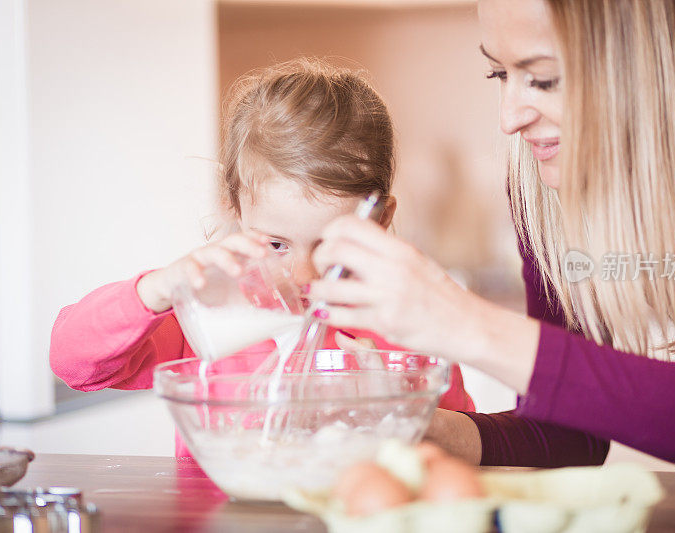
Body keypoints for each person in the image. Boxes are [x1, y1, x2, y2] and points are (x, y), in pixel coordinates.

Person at [307, 0, 675, 490]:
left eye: (544, 79)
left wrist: (462, 320)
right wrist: (413, 426)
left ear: (640, 65)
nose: (509, 118)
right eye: (499, 74)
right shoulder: (540, 179)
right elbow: (569, 433)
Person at [49, 59, 474, 458]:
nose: (304, 275)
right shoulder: (209, 319)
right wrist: (154, 290)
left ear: (380, 220)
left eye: (331, 244)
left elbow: (464, 450)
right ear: (234, 209)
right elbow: (74, 363)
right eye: (277, 245)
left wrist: (397, 410)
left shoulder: (410, 327)